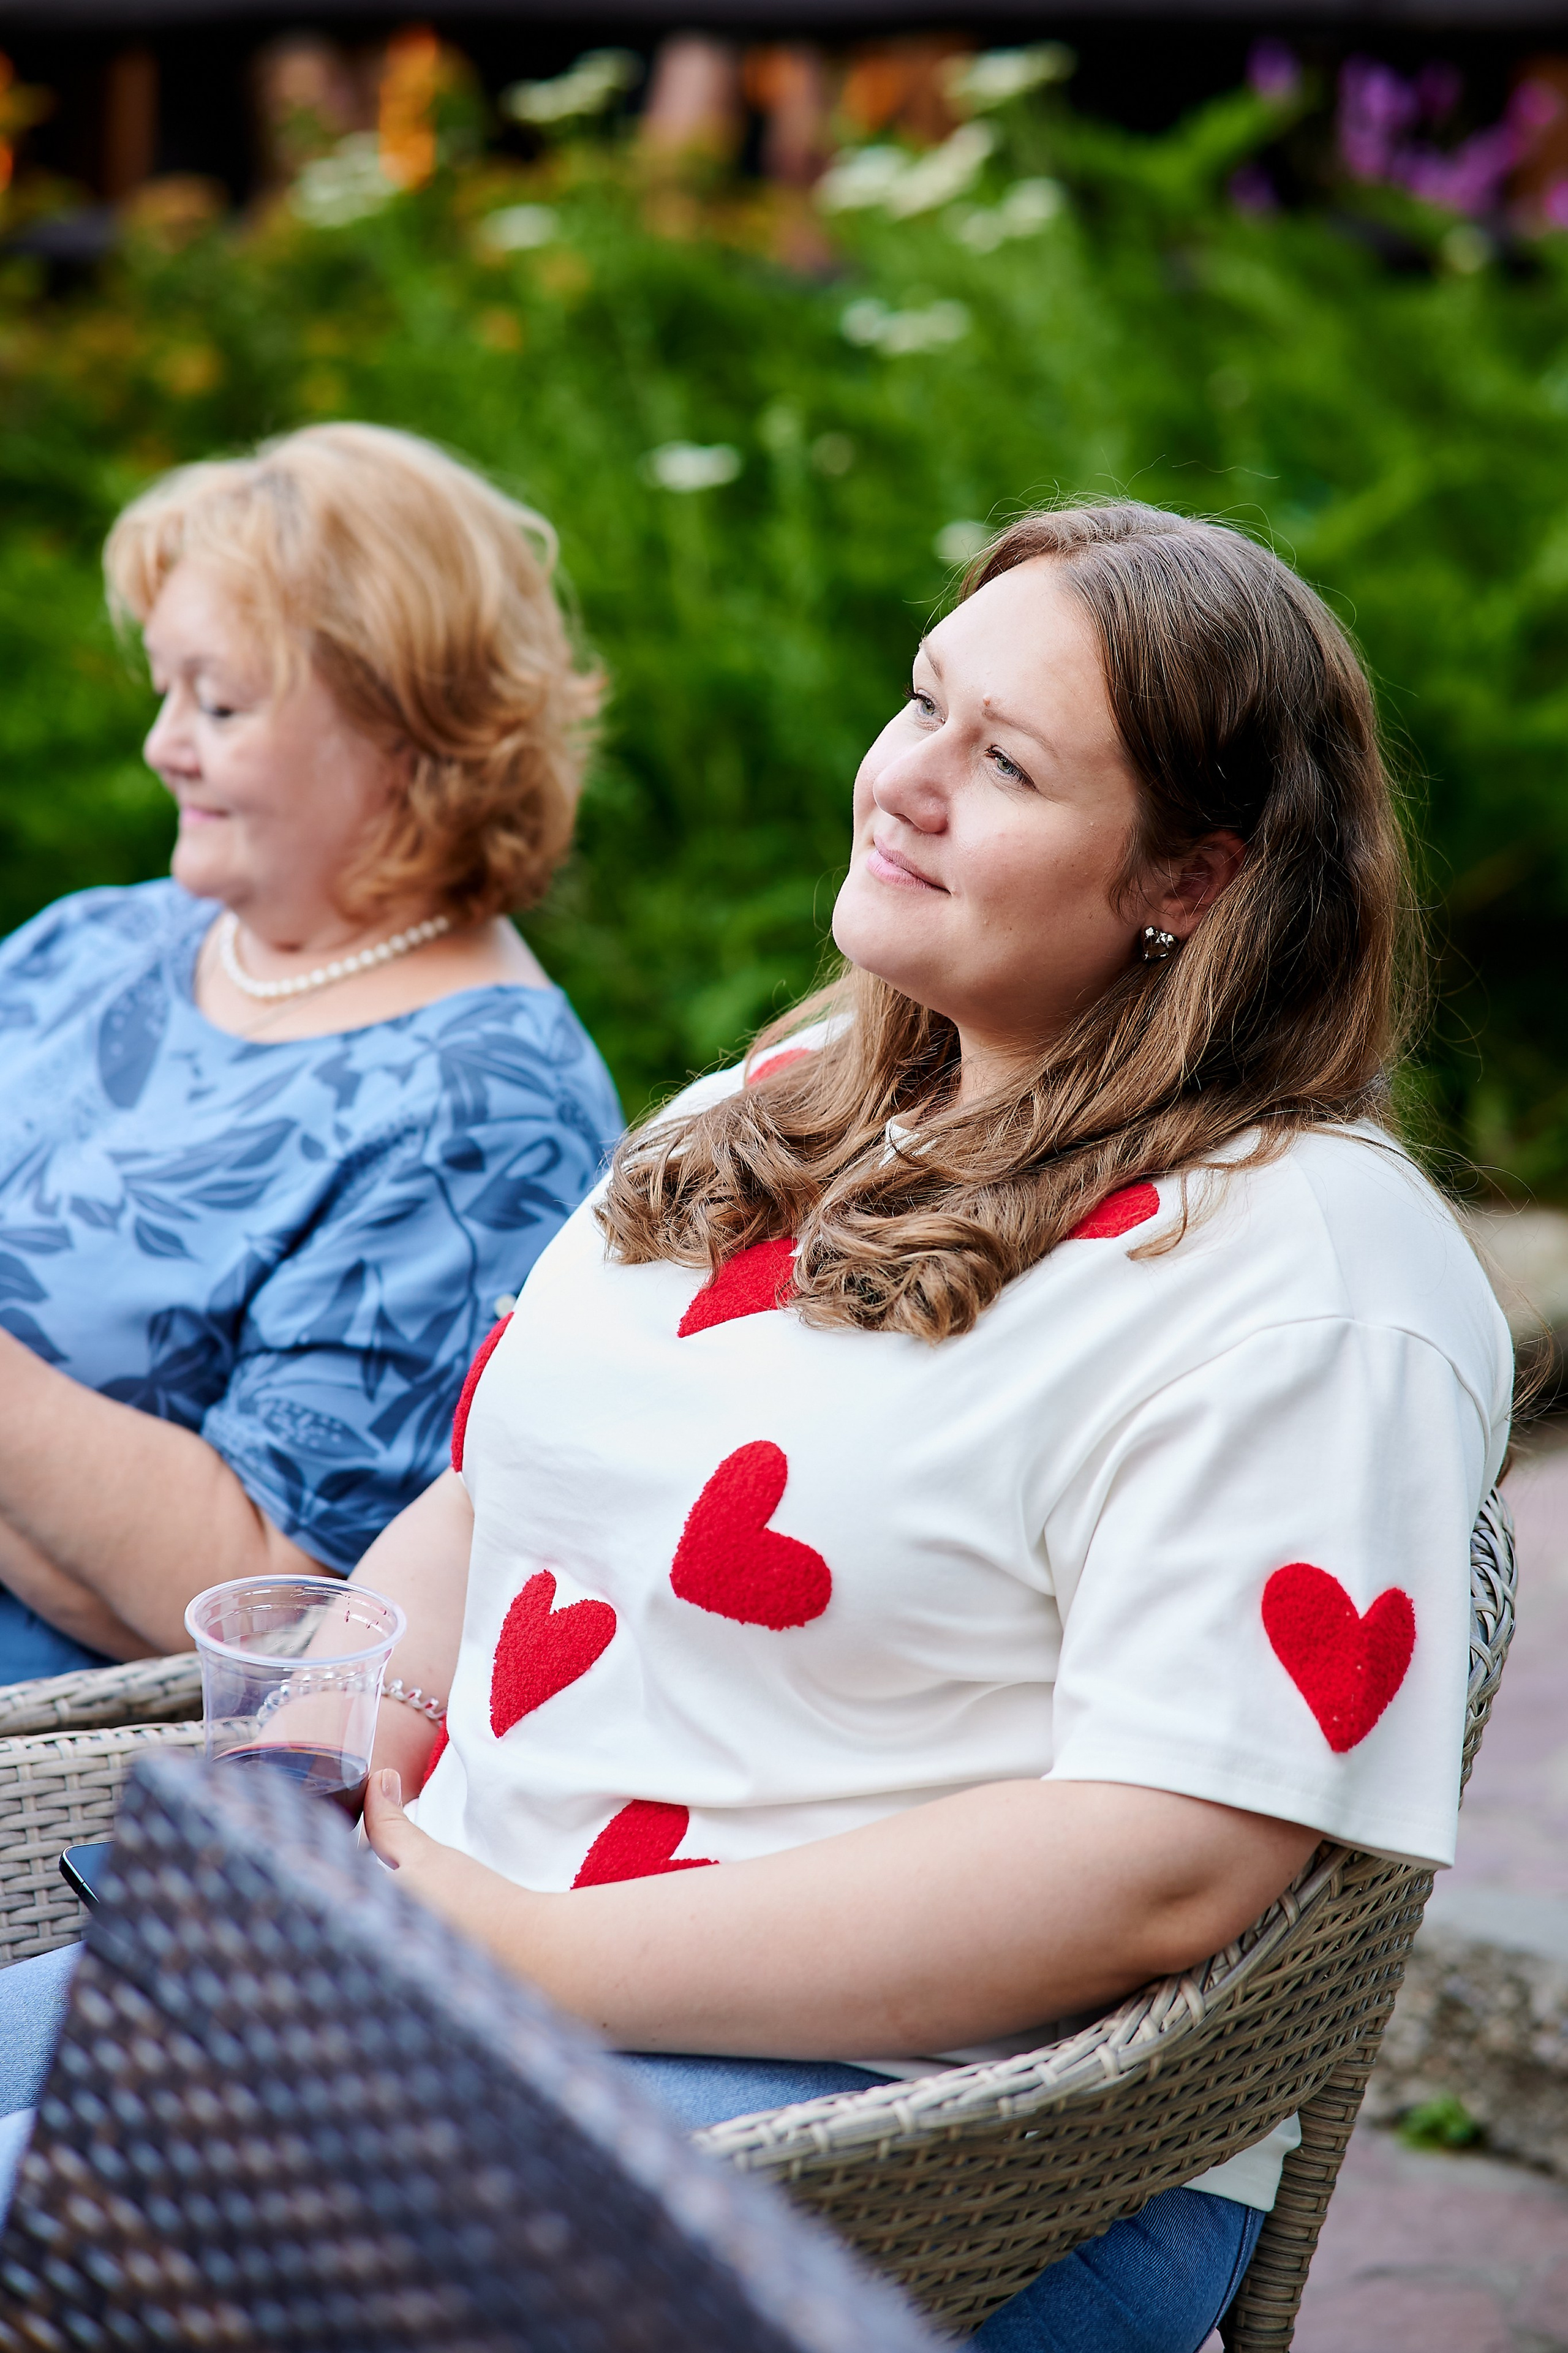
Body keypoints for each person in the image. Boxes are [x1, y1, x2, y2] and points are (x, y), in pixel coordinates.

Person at [0, 502, 1512, 2350]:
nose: (910, 782)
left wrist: (541, 1956)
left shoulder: (1307, 1269)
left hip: (928, 2133)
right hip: (435, 1949)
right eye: (923, 702)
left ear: (1188, 879)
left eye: (1009, 761)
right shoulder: (786, 1094)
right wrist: (323, 1759)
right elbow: (495, 1495)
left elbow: (1169, 1855)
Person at [0, 423, 620, 1685]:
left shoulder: (487, 1103)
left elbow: (266, 1611)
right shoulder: (102, 940)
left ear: (407, 732)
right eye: (168, 691)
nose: (164, 743)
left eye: (219, 701)